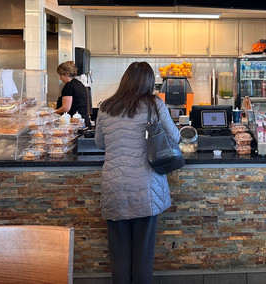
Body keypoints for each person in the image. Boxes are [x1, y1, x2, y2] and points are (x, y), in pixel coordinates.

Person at [95, 61, 180, 284]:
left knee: (119, 253)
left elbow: (99, 143)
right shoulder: (154, 104)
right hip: (146, 187)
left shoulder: (106, 106)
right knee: (143, 254)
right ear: (150, 82)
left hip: (114, 186)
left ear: (125, 80)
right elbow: (175, 137)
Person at [54, 61, 91, 127]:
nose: (60, 78)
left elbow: (66, 108)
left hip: (75, 123)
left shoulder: (69, 86)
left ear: (67, 74)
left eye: (61, 75)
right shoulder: (79, 84)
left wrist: (52, 112)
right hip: (84, 121)